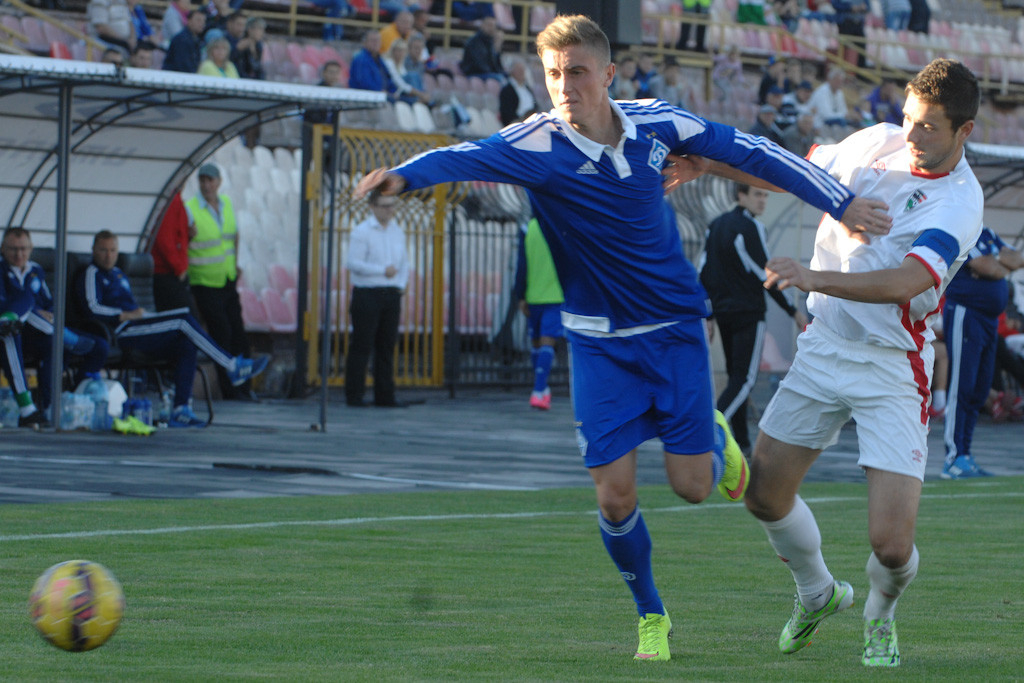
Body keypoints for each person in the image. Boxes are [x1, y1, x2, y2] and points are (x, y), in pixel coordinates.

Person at [352, 13, 889, 662]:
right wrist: (403, 177)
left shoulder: (657, 125)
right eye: (553, 74)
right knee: (614, 497)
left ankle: (714, 436)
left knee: (693, 487)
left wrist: (840, 201)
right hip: (599, 344)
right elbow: (459, 156)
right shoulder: (536, 142)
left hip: (673, 330)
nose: (565, 86)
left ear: (608, 74)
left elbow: (750, 151)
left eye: (577, 72)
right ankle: (651, 615)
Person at [743, 59, 982, 668]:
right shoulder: (875, 141)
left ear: (965, 131)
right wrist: (704, 164)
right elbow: (789, 170)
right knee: (763, 495)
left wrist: (811, 276)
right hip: (825, 345)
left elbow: (906, 282)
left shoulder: (961, 201)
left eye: (929, 126)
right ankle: (817, 592)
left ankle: (880, 613)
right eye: (908, 118)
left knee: (892, 546)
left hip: (892, 366)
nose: (912, 134)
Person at [76, 231, 268, 427]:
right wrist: (123, 315)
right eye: (103, 250)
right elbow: (92, 308)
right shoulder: (91, 274)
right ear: (93, 250)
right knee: (183, 321)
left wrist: (143, 315)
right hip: (121, 330)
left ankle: (181, 410)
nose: (108, 256)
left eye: (113, 250)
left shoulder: (118, 274)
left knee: (186, 343)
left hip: (139, 325)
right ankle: (231, 366)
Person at [700, 184, 807, 453]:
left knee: (736, 378)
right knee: (744, 379)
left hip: (723, 313)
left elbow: (703, 273)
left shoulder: (715, 225)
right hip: (748, 313)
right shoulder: (751, 227)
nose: (763, 201)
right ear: (741, 195)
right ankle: (709, 430)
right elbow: (767, 276)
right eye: (758, 194)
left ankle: (741, 443)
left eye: (765, 195)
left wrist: (708, 313)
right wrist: (793, 311)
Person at [1, 228, 110, 429]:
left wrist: (49, 313)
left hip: (35, 332)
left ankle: (51, 406)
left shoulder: (36, 270)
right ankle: (63, 336)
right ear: (2, 249)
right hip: (14, 333)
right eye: (13, 249)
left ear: (31, 248)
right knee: (24, 303)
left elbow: (49, 303)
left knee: (91, 345)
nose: (19, 254)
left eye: (23, 249)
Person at [941, 227, 1024, 478]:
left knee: (979, 389)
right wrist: (1000, 263)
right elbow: (985, 266)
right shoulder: (961, 230)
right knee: (962, 386)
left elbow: (1016, 259)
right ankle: (953, 457)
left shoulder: (986, 232)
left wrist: (997, 262)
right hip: (966, 313)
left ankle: (965, 454)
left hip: (988, 320)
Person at [185, 163, 256, 400]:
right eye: (203, 180)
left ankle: (244, 387)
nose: (206, 185)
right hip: (204, 281)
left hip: (226, 279)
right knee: (221, 333)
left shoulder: (226, 204)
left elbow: (233, 236)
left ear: (219, 182)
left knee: (238, 334)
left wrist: (235, 262)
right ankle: (229, 389)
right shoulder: (191, 209)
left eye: (210, 180)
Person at [344, 189, 409, 408]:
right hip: (367, 293)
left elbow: (404, 262)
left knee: (387, 346)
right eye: (384, 205)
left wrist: (400, 285)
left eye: (392, 205)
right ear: (372, 207)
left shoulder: (397, 231)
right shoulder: (362, 232)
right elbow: (353, 263)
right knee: (362, 345)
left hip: (391, 293)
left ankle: (385, 395)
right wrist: (382, 271)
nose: (389, 210)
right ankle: (354, 395)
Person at [512, 217, 563, 410]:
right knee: (545, 342)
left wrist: (520, 295)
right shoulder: (560, 225)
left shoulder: (528, 228)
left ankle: (539, 389)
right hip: (556, 294)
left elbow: (522, 264)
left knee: (537, 343)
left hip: (533, 295)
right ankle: (541, 389)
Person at [151, 192, 195, 313]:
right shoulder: (171, 199)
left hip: (170, 271)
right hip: (167, 272)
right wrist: (179, 268)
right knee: (188, 319)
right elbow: (164, 239)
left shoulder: (175, 198)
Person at [459, 15, 506, 82]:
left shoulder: (490, 41)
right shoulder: (474, 42)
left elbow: (496, 66)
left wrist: (496, 50)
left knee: (508, 78)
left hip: (487, 73)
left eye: (494, 26)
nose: (491, 28)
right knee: (500, 79)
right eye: (489, 25)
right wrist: (495, 72)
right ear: (482, 25)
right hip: (474, 73)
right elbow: (479, 65)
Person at [347, 30, 393, 96]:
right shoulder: (360, 59)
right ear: (365, 43)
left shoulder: (380, 59)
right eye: (373, 40)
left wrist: (393, 91)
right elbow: (364, 83)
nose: (376, 43)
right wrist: (381, 91)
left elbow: (388, 79)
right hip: (366, 96)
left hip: (382, 95)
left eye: (378, 40)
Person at [162, 9, 206, 74]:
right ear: (189, 21)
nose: (202, 23)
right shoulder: (182, 39)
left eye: (204, 21)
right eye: (198, 20)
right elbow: (184, 66)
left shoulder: (197, 40)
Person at [498, 59, 537, 127]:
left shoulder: (527, 89)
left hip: (532, 120)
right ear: (512, 72)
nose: (521, 72)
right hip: (518, 123)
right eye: (518, 70)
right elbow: (507, 112)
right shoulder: (507, 90)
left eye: (522, 70)